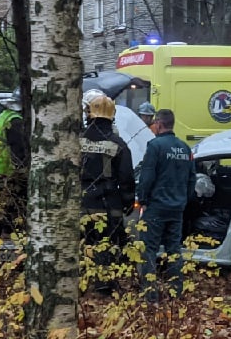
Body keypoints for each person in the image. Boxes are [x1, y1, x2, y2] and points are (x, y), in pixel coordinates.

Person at [135, 108, 193, 301]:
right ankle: (176, 292)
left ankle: (150, 294)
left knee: (149, 249)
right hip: (177, 208)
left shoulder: (155, 146)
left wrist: (142, 199)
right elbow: (191, 179)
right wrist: (184, 200)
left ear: (158, 124)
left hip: (156, 207)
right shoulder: (185, 148)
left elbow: (147, 176)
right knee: (174, 249)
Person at [80, 94, 135, 290]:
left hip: (82, 202)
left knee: (83, 241)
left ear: (89, 115)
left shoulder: (76, 142)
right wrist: (128, 200)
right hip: (108, 203)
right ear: (112, 116)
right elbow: (126, 177)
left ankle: (82, 281)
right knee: (107, 242)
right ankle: (104, 283)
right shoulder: (118, 144)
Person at [0, 93, 28, 176]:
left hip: (0, 167)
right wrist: (21, 169)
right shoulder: (15, 121)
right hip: (10, 170)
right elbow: (18, 149)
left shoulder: (5, 115)